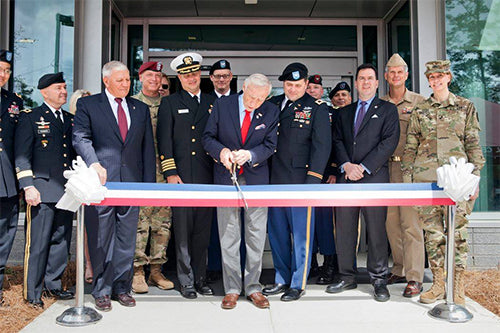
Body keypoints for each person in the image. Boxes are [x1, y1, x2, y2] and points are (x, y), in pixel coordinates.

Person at [73, 61, 155, 311]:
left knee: (126, 239)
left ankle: (122, 288)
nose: (125, 84)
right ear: (106, 80)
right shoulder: (89, 105)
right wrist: (94, 163)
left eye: (128, 79)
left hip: (132, 184)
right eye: (120, 80)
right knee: (101, 238)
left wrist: (148, 187)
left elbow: (147, 149)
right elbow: (80, 137)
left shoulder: (139, 108)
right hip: (102, 183)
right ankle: (101, 290)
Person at [402, 60, 485, 305]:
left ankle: (457, 288)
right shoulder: (421, 109)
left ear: (448, 77)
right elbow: (411, 147)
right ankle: (438, 284)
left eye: (440, 76)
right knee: (433, 234)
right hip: (426, 180)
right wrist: (409, 182)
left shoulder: (464, 106)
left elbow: (472, 145)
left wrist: (476, 180)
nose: (436, 80)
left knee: (457, 234)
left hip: (457, 180)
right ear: (428, 80)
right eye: (431, 77)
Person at [203, 73, 278, 309]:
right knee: (229, 236)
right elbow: (207, 137)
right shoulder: (222, 105)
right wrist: (222, 152)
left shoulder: (271, 110)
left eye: (260, 99)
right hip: (226, 179)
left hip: (256, 180)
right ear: (243, 87)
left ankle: (254, 287)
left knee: (256, 236)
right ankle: (233, 288)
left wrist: (251, 155)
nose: (254, 103)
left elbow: (270, 145)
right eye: (251, 97)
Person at [328, 63, 399, 302]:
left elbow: (389, 142)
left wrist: (364, 167)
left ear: (377, 83)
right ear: (356, 83)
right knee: (345, 230)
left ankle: (379, 280)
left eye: (370, 78)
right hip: (346, 178)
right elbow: (336, 141)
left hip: (374, 179)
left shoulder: (388, 110)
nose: (366, 82)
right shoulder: (343, 112)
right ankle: (346, 276)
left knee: (376, 231)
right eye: (361, 78)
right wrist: (347, 166)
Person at [263, 62, 331, 301]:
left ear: (306, 84)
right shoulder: (271, 104)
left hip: (300, 181)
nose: (293, 89)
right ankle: (281, 278)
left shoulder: (317, 109)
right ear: (283, 84)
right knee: (277, 233)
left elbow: (322, 148)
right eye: (289, 85)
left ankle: (298, 282)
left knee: (301, 235)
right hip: (273, 180)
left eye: (298, 85)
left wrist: (313, 180)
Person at [157, 52, 216, 299]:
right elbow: (164, 140)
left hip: (208, 176)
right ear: (179, 78)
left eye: (194, 73)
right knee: (182, 231)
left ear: (200, 75)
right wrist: (170, 172)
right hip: (181, 177)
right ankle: (186, 281)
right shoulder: (170, 103)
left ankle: (201, 278)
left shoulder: (214, 102)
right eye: (185, 75)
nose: (191, 78)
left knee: (203, 231)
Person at [15, 72, 76, 308]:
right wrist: (28, 186)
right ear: (44, 92)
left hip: (65, 192)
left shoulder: (70, 119)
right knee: (38, 243)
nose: (63, 91)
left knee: (61, 241)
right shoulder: (30, 117)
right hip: (40, 191)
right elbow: (22, 156)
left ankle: (53, 285)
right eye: (58, 88)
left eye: (64, 87)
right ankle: (32, 293)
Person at [380, 53, 426, 297]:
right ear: (386, 76)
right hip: (385, 170)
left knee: (411, 225)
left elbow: (427, 138)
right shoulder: (380, 102)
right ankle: (398, 268)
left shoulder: (419, 102)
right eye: (391, 72)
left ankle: (415, 276)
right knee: (391, 224)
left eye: (400, 71)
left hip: (409, 171)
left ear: (406, 75)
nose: (396, 75)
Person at [131, 61, 174, 294]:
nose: (155, 80)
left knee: (163, 223)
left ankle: (156, 270)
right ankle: (138, 271)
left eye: (158, 76)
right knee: (141, 222)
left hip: (166, 171)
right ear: (140, 78)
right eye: (150, 75)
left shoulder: (169, 104)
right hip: (141, 173)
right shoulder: (132, 104)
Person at [306, 74, 338, 285]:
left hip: (325, 176)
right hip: (304, 177)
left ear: (322, 91)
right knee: (308, 223)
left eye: (316, 88)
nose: (312, 91)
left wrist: (334, 170)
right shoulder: (299, 110)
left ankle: (329, 264)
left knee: (325, 224)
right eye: (309, 88)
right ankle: (311, 264)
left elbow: (334, 144)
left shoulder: (330, 113)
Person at [0, 49, 23, 305]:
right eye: (0, 69)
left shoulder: (14, 101)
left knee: (5, 234)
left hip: (6, 178)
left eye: (7, 71)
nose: (3, 75)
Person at [68, 88, 93, 284]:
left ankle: (91, 265)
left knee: (92, 226)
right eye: (80, 102)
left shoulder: (97, 122)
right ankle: (85, 265)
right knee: (82, 226)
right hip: (73, 178)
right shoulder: (69, 122)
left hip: (93, 177)